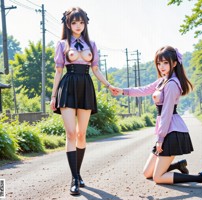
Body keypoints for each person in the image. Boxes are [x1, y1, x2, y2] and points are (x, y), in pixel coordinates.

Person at [113, 46, 202, 190]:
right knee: (147, 173)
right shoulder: (162, 81)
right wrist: (123, 91)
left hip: (172, 132)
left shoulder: (172, 84)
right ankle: (176, 166)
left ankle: (201, 177)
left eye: (165, 63)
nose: (161, 66)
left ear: (174, 63)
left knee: (158, 178)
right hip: (166, 130)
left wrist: (160, 139)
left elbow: (167, 113)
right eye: (159, 63)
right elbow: (144, 89)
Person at [50, 7, 115, 195]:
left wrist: (109, 85)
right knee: (70, 133)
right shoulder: (62, 44)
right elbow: (58, 71)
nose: (78, 26)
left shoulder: (91, 44)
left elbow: (96, 69)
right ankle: (74, 179)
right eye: (74, 22)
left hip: (86, 86)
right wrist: (53, 96)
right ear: (68, 25)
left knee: (81, 134)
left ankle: (78, 174)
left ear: (85, 24)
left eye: (81, 22)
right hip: (68, 86)